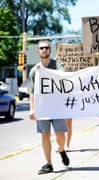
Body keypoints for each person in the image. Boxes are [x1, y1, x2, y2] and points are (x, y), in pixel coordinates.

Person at [28, 40, 70, 175]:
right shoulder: (35, 70)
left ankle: (62, 150)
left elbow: (63, 76)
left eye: (46, 47)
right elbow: (31, 92)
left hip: (57, 107)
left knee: (60, 135)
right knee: (45, 134)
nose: (44, 50)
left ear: (50, 50)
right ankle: (49, 164)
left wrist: (49, 71)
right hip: (42, 108)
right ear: (38, 51)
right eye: (42, 48)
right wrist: (32, 109)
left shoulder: (57, 64)